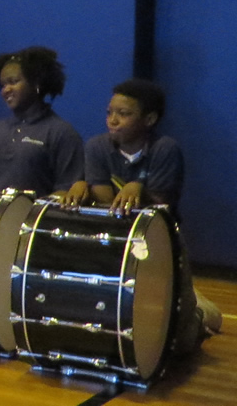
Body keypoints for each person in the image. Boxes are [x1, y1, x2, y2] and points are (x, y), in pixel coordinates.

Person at [63, 79, 222, 354]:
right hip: (115, 241)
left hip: (159, 245)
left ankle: (198, 312)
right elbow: (105, 202)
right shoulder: (97, 147)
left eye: (124, 114)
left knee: (180, 344)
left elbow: (162, 208)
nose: (113, 120)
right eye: (109, 112)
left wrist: (140, 190)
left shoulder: (165, 149)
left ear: (149, 119)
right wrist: (86, 187)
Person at [0, 46, 83, 197]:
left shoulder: (62, 133)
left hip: (37, 218)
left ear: (36, 84)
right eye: (2, 85)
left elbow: (67, 189)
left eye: (13, 82)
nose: (6, 90)